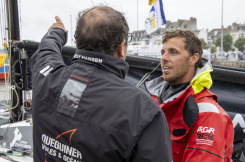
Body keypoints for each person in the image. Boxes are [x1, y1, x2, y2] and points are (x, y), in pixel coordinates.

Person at [30, 5, 172, 162]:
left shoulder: (45, 76)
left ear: (79, 41)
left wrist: (56, 32)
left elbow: (46, 50)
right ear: (121, 48)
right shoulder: (143, 110)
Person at [144, 30, 234, 162]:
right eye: (163, 52)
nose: (164, 58)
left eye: (173, 52)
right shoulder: (154, 98)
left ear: (193, 59)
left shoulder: (208, 114)